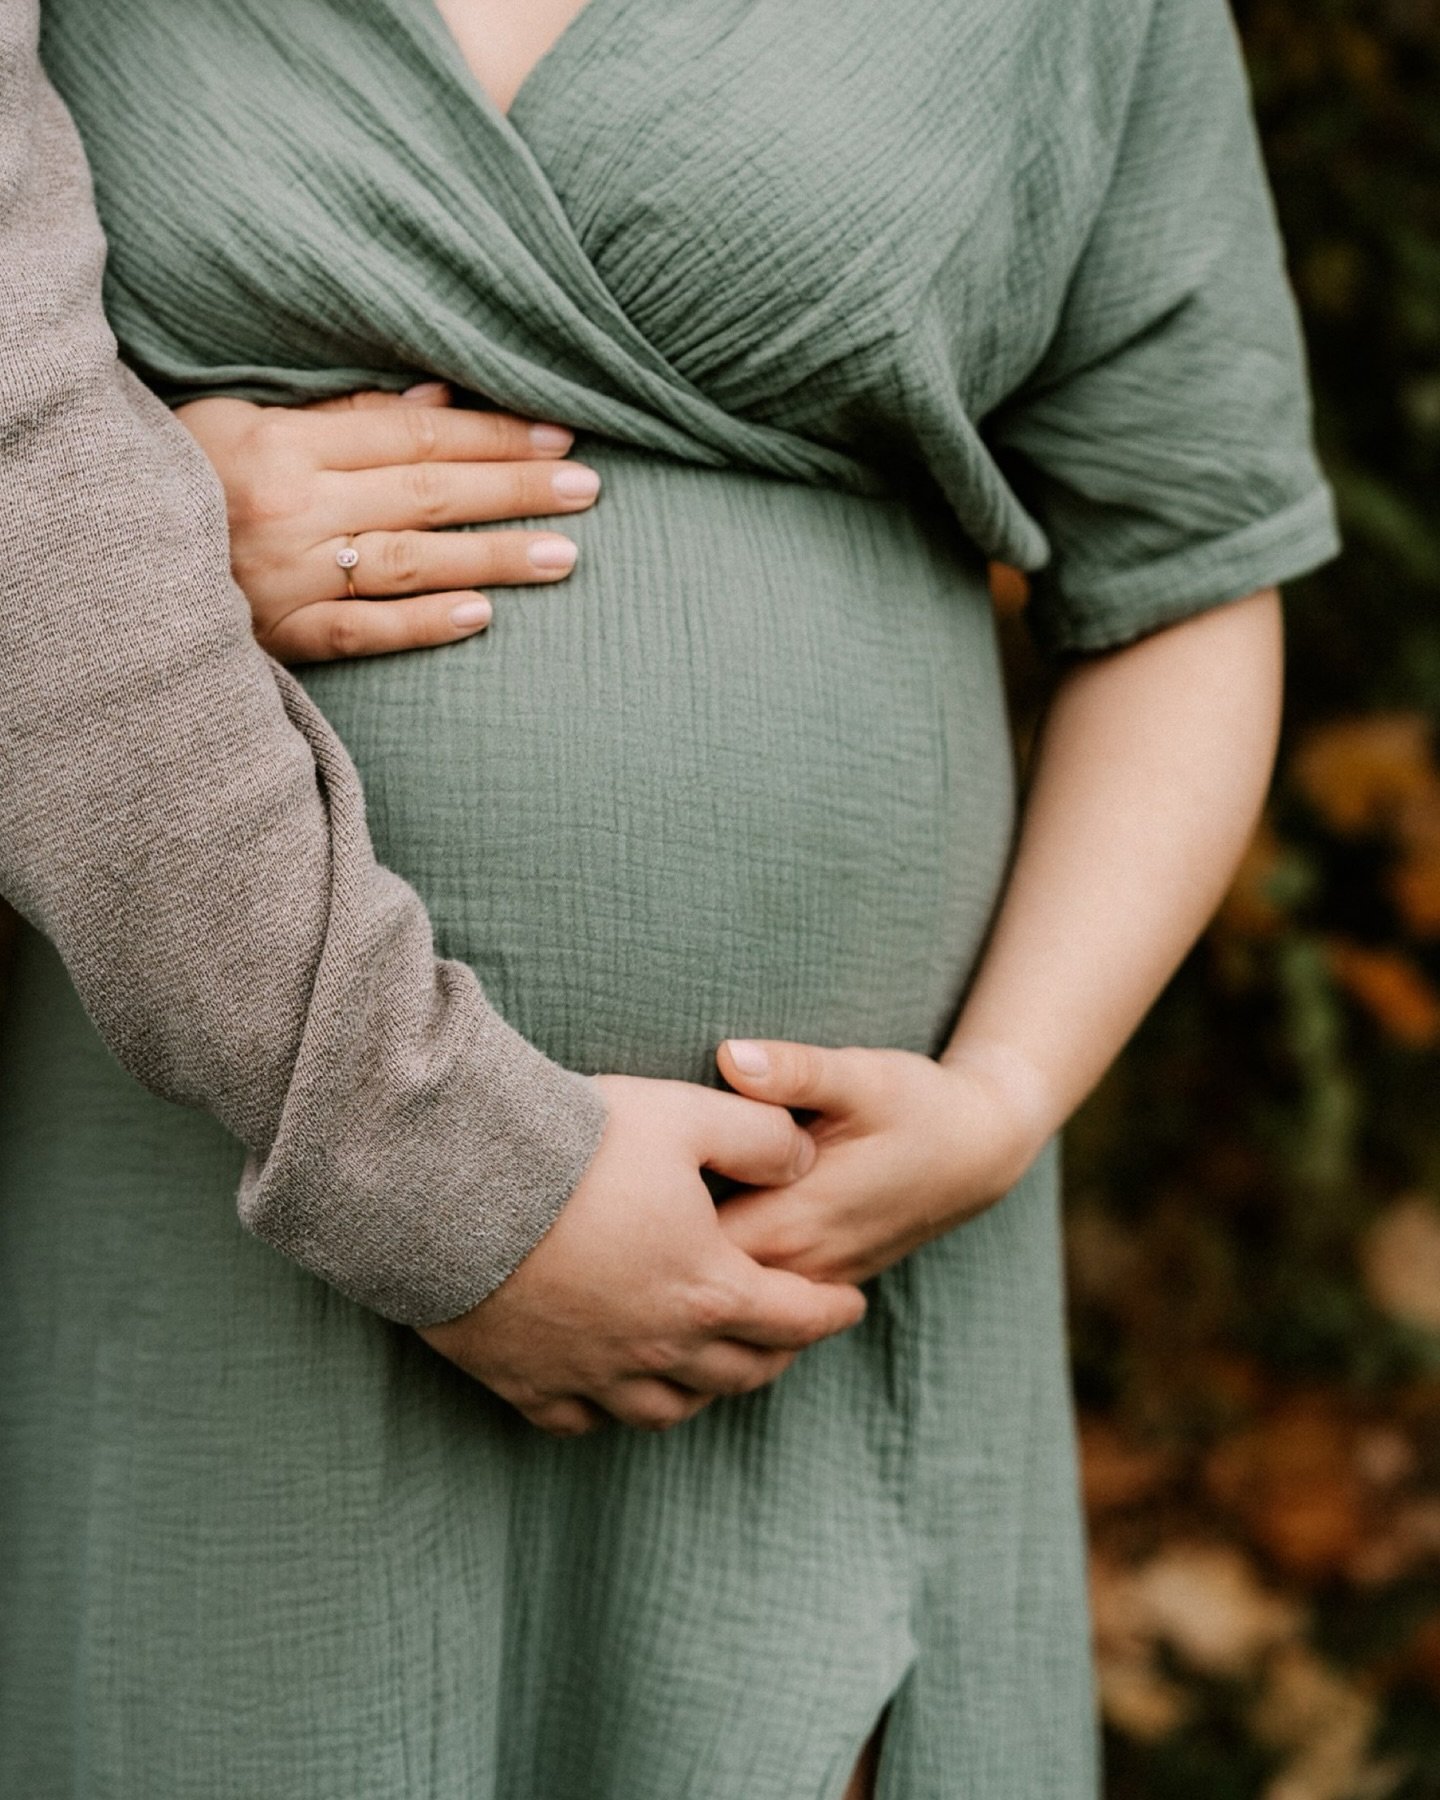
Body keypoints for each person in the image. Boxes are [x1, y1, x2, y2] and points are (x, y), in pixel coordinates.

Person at [1, 0, 1340, 1795]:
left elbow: (1188, 571)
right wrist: (135, 526)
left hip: (812, 1265)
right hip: (202, 1206)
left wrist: (1010, 1096)